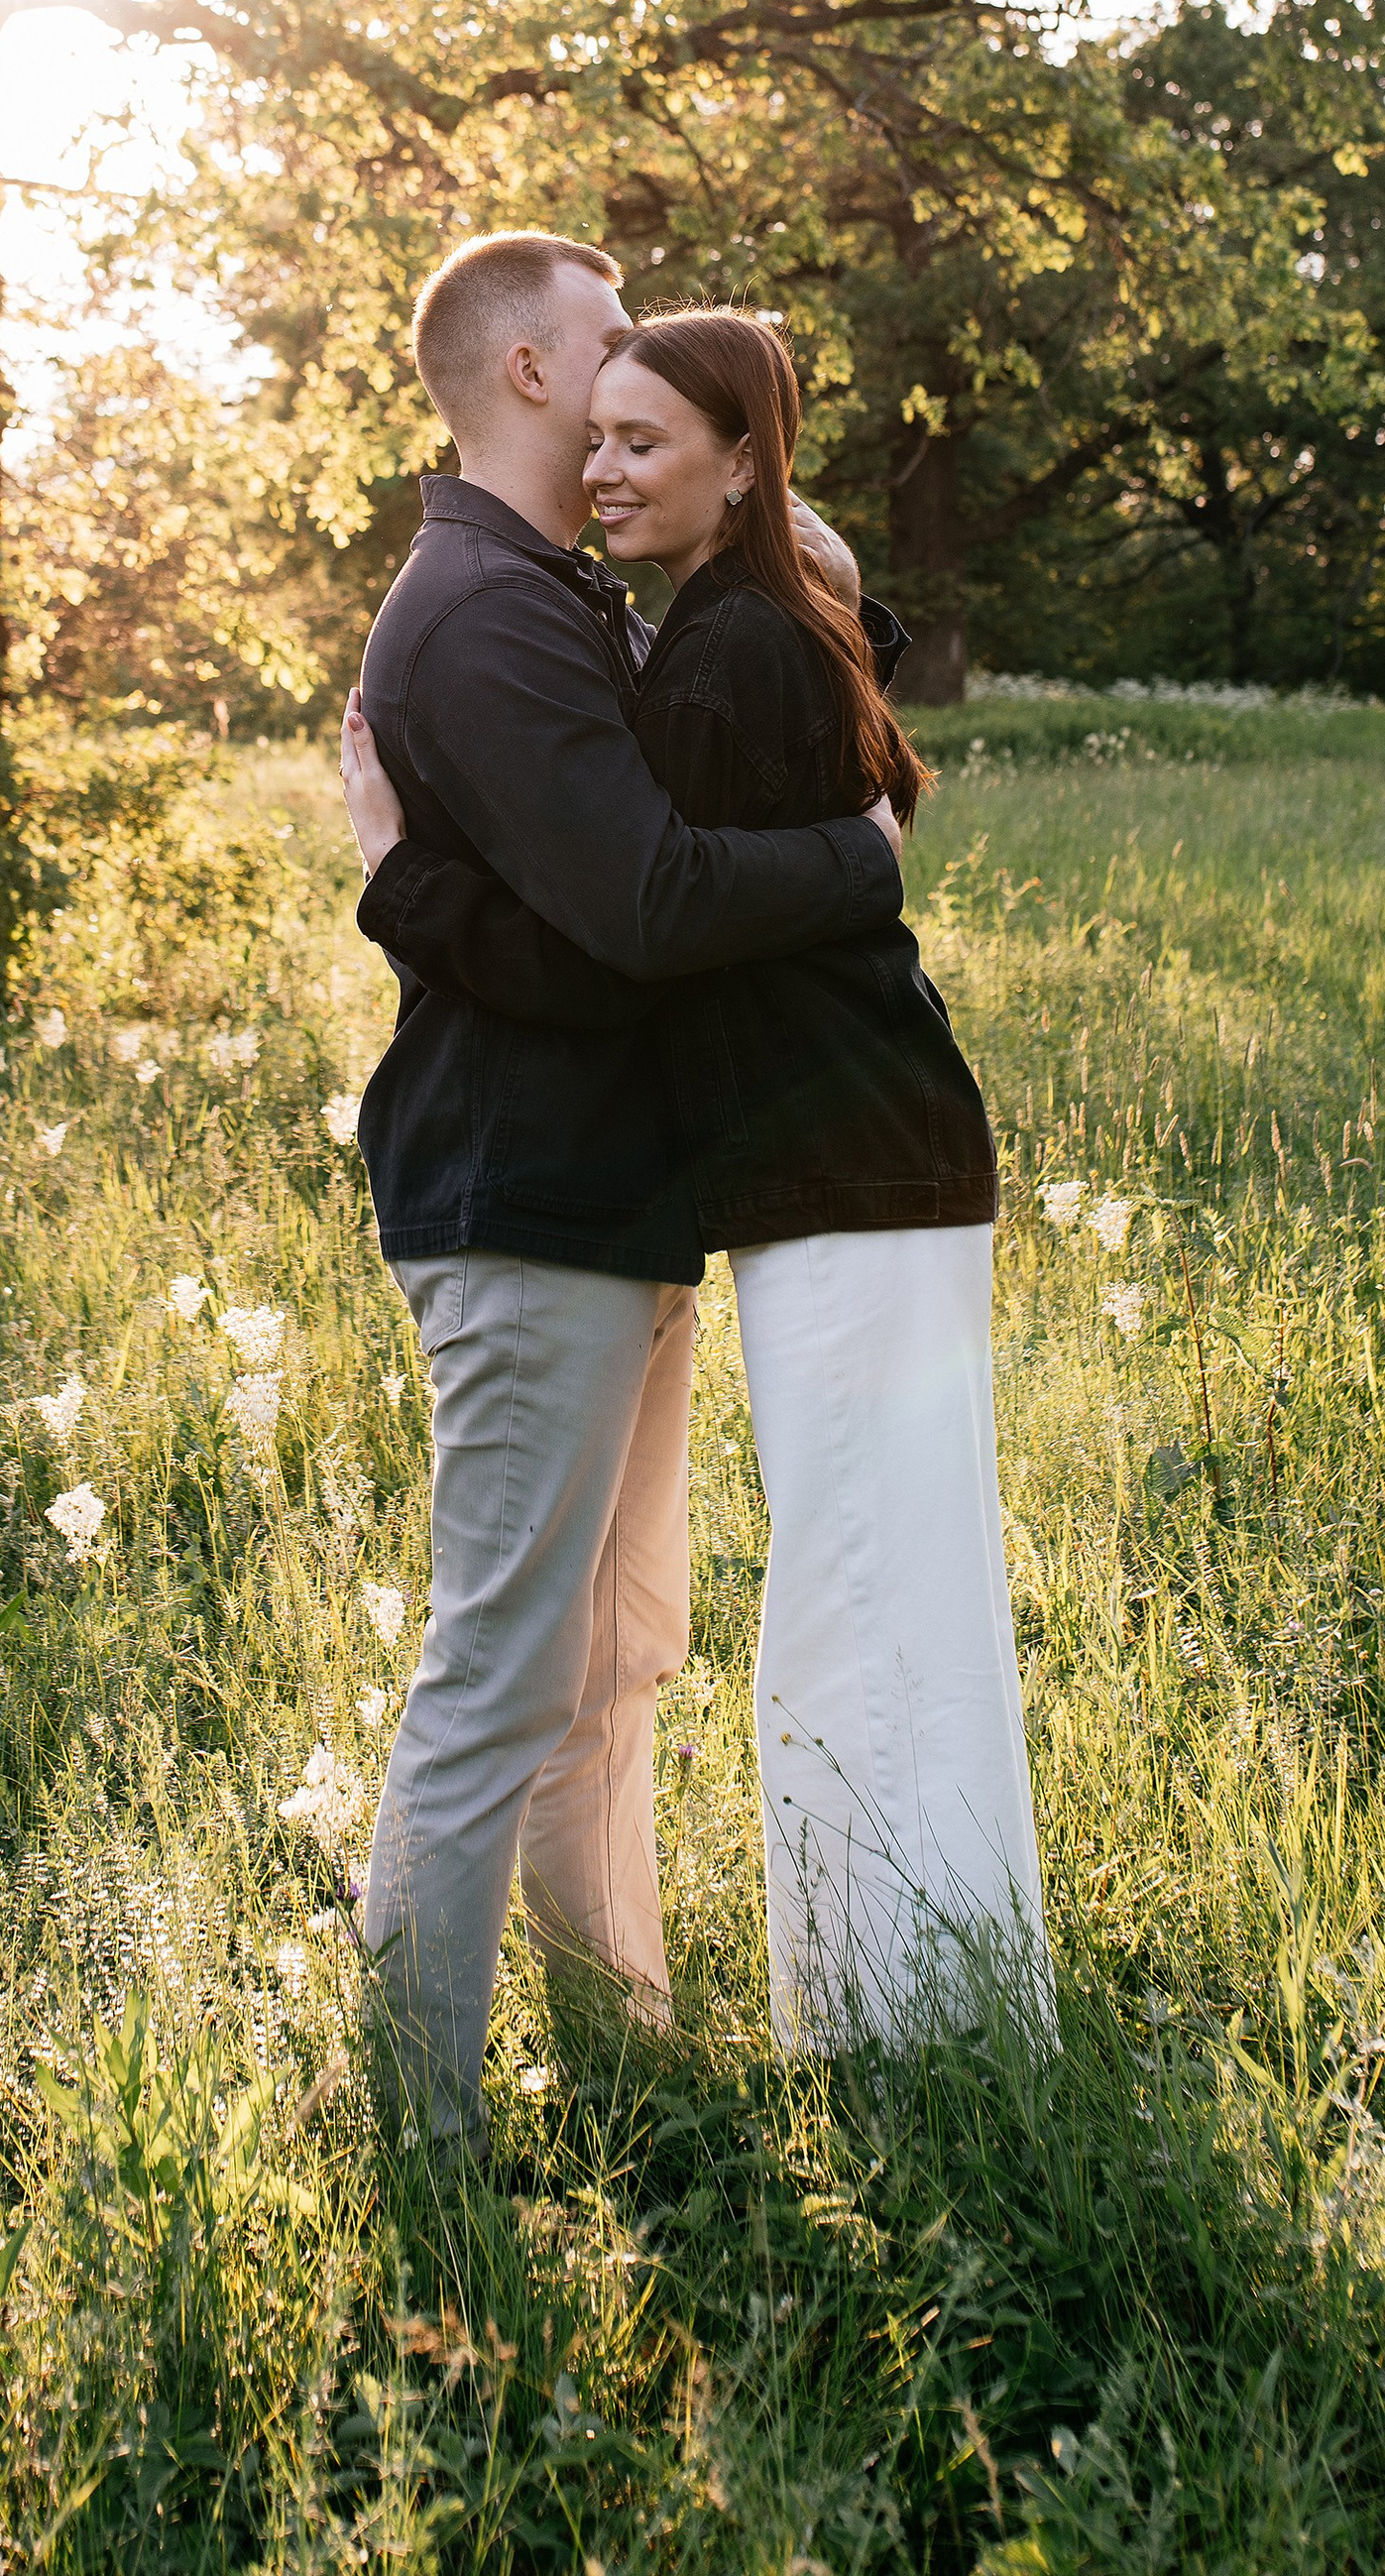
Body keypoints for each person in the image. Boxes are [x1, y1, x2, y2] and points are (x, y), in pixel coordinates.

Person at [344, 306, 1047, 2057]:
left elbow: (736, 738)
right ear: (530, 367)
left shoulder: (596, 603)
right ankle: (426, 2122)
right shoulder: (498, 610)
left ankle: (663, 2047)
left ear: (742, 462)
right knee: (528, 1672)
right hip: (570, 1200)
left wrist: (804, 574)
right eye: (600, 388)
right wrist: (395, 879)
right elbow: (643, 914)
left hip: (698, 1192)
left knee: (641, 1650)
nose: (607, 431)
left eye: (650, 431)